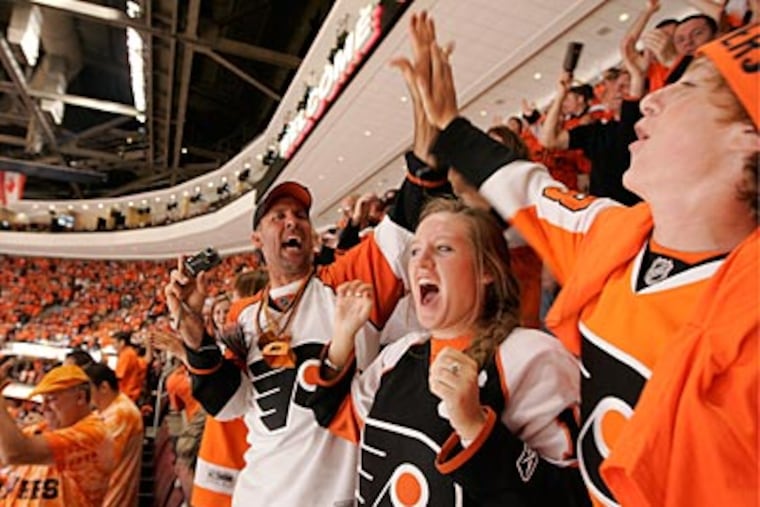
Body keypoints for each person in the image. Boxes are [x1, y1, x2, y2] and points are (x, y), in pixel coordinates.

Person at [413, 16, 758, 507]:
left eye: (689, 88)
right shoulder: (612, 237)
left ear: (748, 136)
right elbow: (532, 189)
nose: (653, 97)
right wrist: (451, 128)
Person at [163, 19, 451, 501]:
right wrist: (193, 330)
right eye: (278, 216)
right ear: (258, 238)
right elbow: (228, 406)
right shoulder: (241, 315)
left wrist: (430, 118)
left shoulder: (348, 280)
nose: (293, 222)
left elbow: (411, 210)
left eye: (300, 214)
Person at [310, 198, 586, 505]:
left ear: (487, 271)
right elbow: (339, 419)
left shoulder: (531, 356)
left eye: (443, 249)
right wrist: (342, 337)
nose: (421, 261)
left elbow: (573, 496)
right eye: (414, 251)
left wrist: (475, 429)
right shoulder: (401, 354)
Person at [0, 364, 114, 506]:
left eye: (51, 399)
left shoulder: (92, 435)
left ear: (80, 397)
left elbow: (14, 453)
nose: (43, 408)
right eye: (43, 400)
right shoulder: (41, 428)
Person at [84, 363, 143, 507]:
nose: (83, 395)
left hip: (112, 498)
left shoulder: (121, 413)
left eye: (87, 389)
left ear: (104, 387)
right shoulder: (109, 409)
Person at [113, 331, 146, 402]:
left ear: (122, 343)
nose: (113, 346)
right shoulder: (130, 352)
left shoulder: (126, 355)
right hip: (132, 392)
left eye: (114, 343)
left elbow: (119, 376)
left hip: (128, 393)